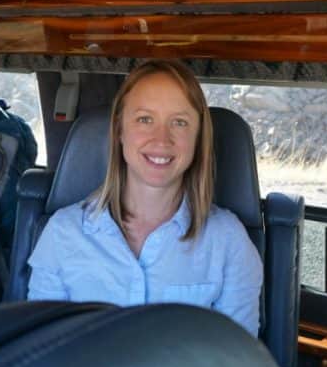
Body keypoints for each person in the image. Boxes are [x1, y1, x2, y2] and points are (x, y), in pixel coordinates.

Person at [27, 60, 263, 335]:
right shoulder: (62, 232)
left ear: (198, 138)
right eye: (144, 119)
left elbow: (237, 365)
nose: (161, 139)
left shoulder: (229, 242)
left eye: (179, 122)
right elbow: (41, 356)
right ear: (119, 131)